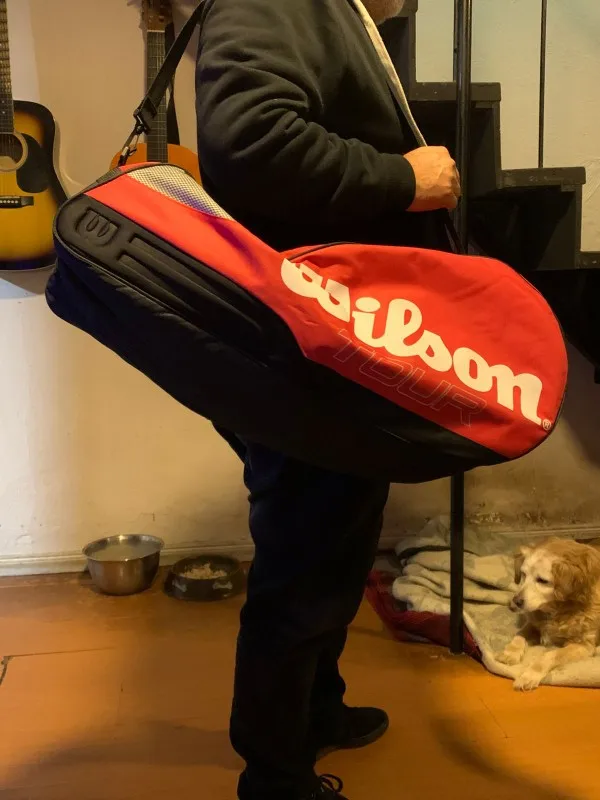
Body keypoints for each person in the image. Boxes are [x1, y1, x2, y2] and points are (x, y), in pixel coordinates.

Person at [195, 1, 461, 798]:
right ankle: (274, 773)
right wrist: (406, 179)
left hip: (335, 342)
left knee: (338, 538)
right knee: (304, 553)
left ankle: (316, 708)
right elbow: (249, 141)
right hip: (305, 350)